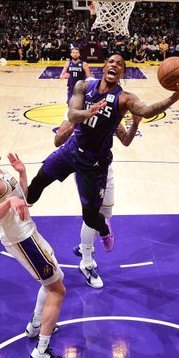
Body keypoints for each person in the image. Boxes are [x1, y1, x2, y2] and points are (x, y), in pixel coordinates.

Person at [26, 54, 179, 253]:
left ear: (122, 72)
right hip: (71, 150)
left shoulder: (125, 99)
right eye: (111, 62)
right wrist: (88, 112)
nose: (115, 65)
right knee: (38, 181)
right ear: (104, 67)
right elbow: (71, 114)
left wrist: (174, 97)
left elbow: (146, 111)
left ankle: (105, 230)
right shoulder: (83, 86)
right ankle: (18, 218)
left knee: (90, 217)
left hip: (95, 163)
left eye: (120, 64)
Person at [0, 136, 66, 358]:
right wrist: (9, 202)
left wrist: (21, 174)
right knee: (57, 290)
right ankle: (40, 352)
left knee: (53, 278)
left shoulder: (2, 173)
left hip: (29, 232)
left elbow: (21, 197)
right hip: (22, 239)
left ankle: (35, 324)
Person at [54, 92, 143, 288]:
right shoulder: (75, 111)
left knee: (106, 214)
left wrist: (135, 123)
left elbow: (126, 141)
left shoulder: (110, 114)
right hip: (85, 168)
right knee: (92, 215)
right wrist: (78, 121)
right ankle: (86, 262)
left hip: (105, 168)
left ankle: (84, 246)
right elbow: (58, 141)